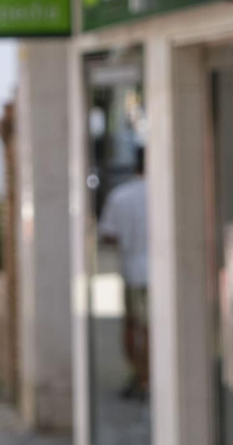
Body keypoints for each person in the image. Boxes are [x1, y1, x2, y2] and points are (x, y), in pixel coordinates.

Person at [98, 147, 149, 399]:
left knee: (132, 326)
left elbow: (108, 235)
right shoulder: (163, 194)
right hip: (156, 273)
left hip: (132, 270)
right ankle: (146, 377)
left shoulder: (121, 197)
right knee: (150, 328)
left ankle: (139, 376)